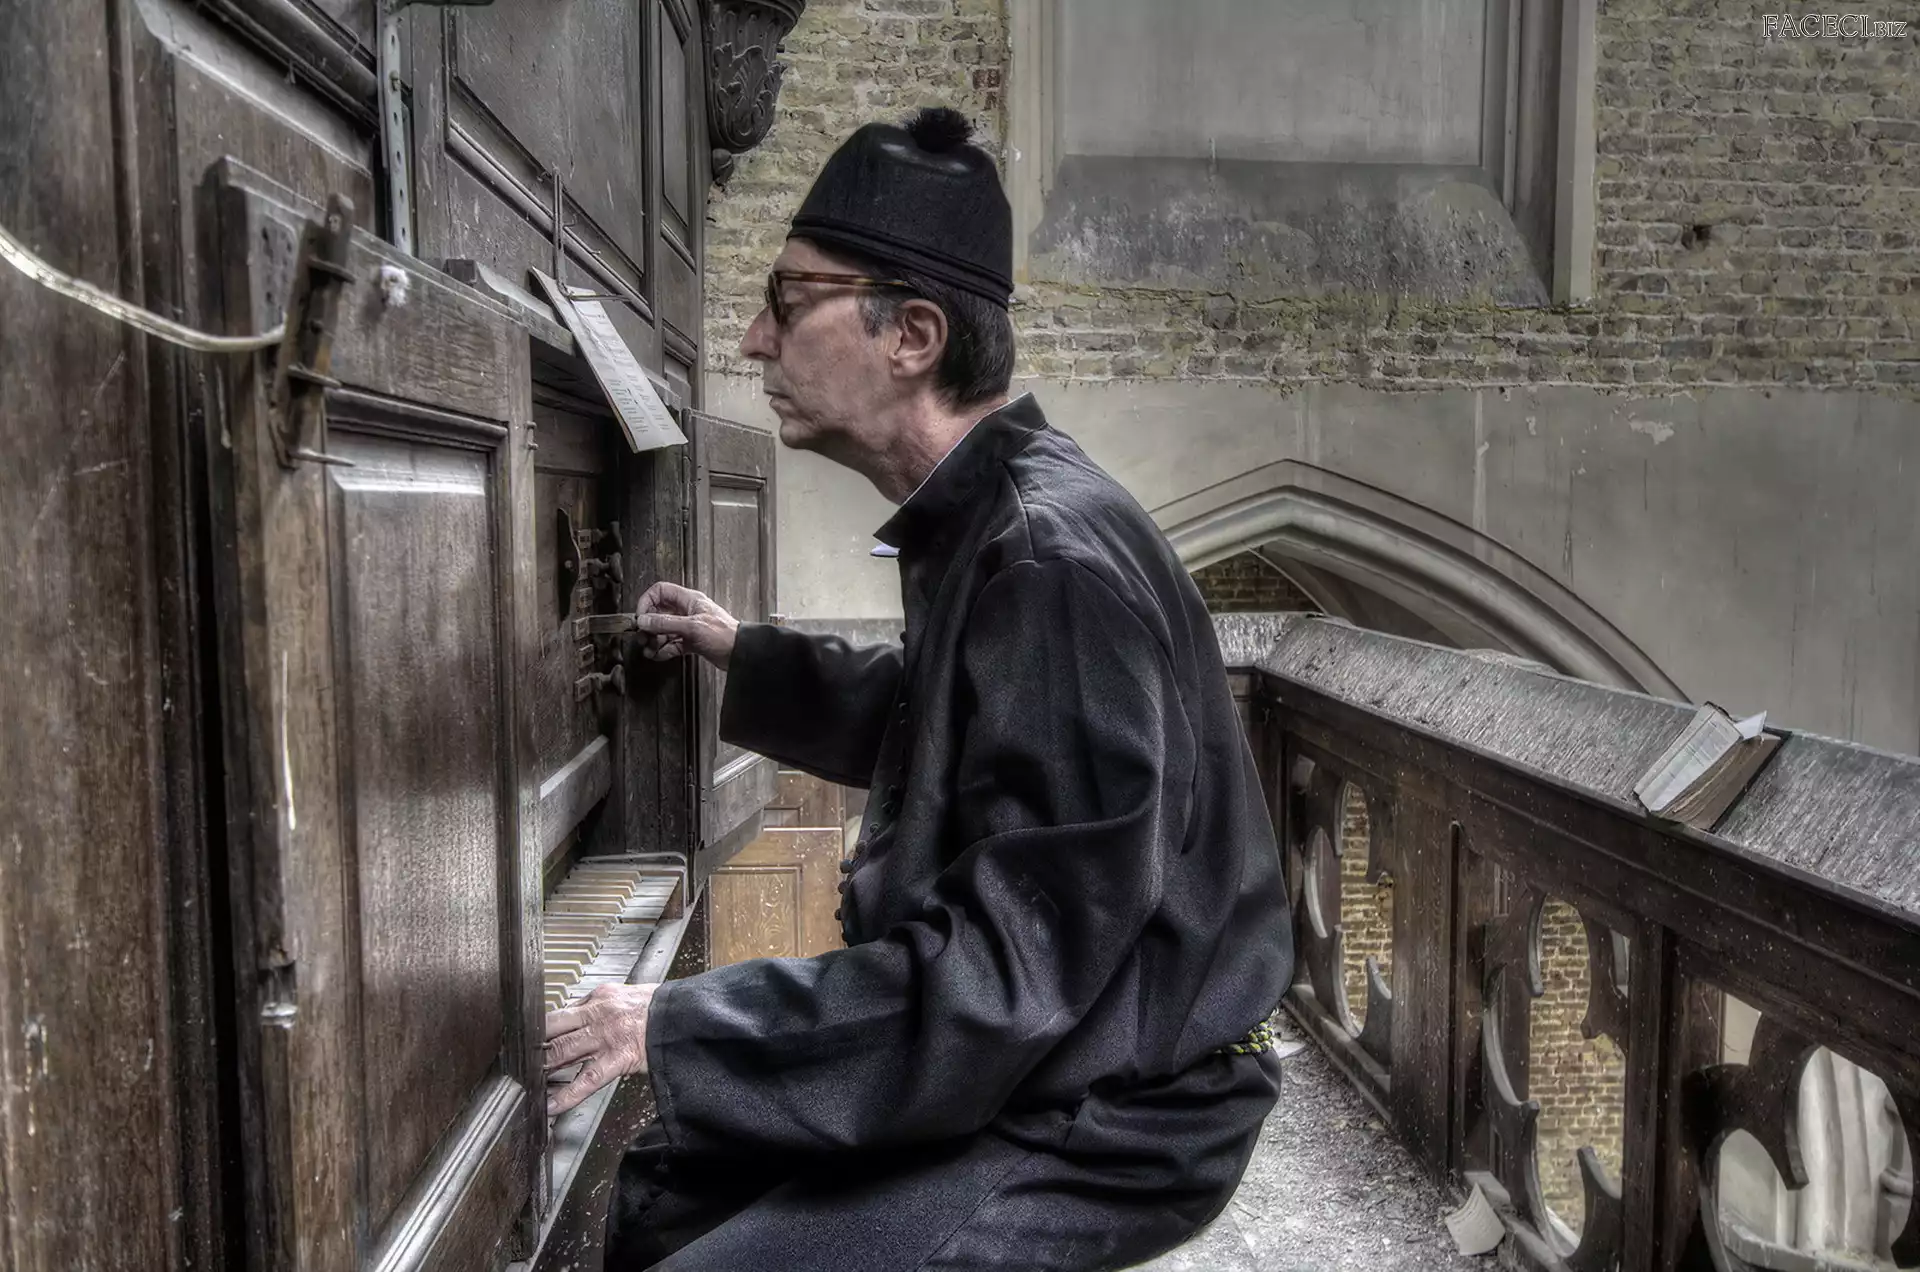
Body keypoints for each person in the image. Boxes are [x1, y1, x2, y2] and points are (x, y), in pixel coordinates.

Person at [540, 105, 1294, 1272]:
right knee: (668, 1189)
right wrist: (750, 655)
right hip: (1054, 1048)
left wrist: (677, 1024)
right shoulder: (998, 515)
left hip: (1113, 1113)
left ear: (914, 335)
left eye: (788, 301)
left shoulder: (1049, 560)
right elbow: (953, 722)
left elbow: (1006, 977)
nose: (751, 338)